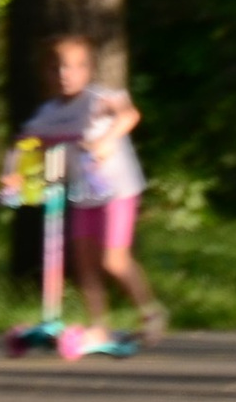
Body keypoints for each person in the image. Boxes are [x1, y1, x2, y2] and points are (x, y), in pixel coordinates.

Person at [9, 36, 164, 348]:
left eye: (75, 66)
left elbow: (128, 114)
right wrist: (13, 175)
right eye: (57, 67)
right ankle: (99, 326)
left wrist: (106, 140)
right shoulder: (49, 113)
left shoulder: (99, 98)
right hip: (83, 194)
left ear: (89, 70)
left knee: (114, 260)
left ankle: (151, 314)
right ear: (46, 73)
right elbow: (25, 143)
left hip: (118, 191)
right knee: (83, 264)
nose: (65, 74)